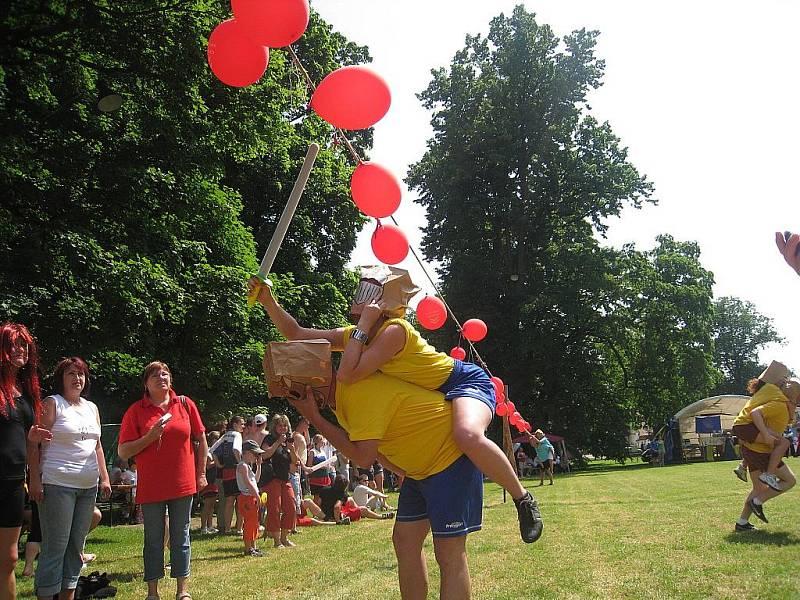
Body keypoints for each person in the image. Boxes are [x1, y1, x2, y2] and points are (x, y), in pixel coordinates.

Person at [250, 267, 543, 543]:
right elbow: (298, 335)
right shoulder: (357, 335)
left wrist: (363, 325)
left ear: (382, 304)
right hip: (435, 391)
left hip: (463, 381)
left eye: (368, 295)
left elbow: (348, 374)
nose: (358, 302)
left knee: (466, 435)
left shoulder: (394, 330)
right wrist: (268, 301)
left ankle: (523, 499)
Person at [276, 340, 525, 600]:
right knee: (405, 541)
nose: (294, 399)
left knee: (448, 552)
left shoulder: (356, 392)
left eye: (294, 392)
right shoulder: (341, 401)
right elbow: (379, 449)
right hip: (419, 471)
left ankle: (523, 498)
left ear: (313, 383)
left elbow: (363, 457)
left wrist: (315, 418)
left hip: (448, 459)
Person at [117, 362, 207, 600]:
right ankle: (152, 593)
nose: (161, 377)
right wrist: (148, 437)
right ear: (146, 384)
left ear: (171, 379)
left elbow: (201, 439)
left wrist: (201, 474)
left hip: (183, 484)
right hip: (152, 487)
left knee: (181, 537)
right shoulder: (136, 410)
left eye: (165, 373)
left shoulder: (185, 405)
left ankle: (182, 591)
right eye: (154, 375)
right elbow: (123, 452)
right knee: (153, 540)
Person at [28, 357, 111, 600]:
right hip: (56, 484)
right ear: (61, 379)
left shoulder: (91, 408)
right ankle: (45, 594)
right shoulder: (52, 404)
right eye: (71, 374)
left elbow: (97, 446)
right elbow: (34, 444)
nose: (77, 378)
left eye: (81, 374)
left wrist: (104, 478)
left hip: (87, 487)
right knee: (56, 546)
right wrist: (35, 479)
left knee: (76, 547)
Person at [0, 323, 50, 600]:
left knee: (9, 560)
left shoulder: (27, 392)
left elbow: (31, 442)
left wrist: (34, 479)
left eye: (24, 345)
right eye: (14, 344)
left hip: (13, 485)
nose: (21, 349)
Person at [732, 377, 799, 530]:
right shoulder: (779, 404)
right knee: (790, 481)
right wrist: (767, 435)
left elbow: (786, 420)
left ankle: (742, 523)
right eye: (796, 400)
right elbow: (756, 414)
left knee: (758, 488)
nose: (796, 405)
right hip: (762, 453)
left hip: (754, 451)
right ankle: (758, 502)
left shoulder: (781, 405)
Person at [259, 414, 299, 548]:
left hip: (285, 478)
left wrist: (292, 449)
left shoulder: (288, 441)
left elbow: (295, 461)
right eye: (280, 425)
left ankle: (284, 538)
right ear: (274, 426)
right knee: (274, 509)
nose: (283, 428)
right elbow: (265, 455)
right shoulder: (269, 439)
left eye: (285, 425)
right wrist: (277, 443)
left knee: (291, 507)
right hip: (272, 478)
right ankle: (276, 540)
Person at [209, 416, 244, 535]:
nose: (243, 426)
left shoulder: (224, 436)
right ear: (235, 424)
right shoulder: (237, 435)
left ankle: (227, 528)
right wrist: (241, 464)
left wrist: (218, 464)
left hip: (225, 472)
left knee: (229, 501)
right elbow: (236, 450)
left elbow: (212, 450)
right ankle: (239, 528)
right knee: (240, 500)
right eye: (241, 424)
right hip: (236, 470)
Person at [319, 475, 394, 524]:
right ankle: (381, 517)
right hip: (338, 516)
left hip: (325, 515)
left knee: (350, 499)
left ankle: (358, 511)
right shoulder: (341, 494)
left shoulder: (324, 489)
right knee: (363, 509)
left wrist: (323, 515)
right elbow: (336, 507)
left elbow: (318, 502)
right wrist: (338, 521)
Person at [236, 440, 265, 557]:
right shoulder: (242, 466)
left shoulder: (248, 466)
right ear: (247, 452)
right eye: (255, 454)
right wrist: (257, 496)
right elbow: (248, 484)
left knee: (254, 523)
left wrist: (259, 466)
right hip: (247, 498)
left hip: (251, 497)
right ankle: (248, 548)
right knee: (249, 523)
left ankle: (253, 546)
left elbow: (256, 481)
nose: (256, 457)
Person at [199, 431, 220, 535]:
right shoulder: (208, 452)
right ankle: (203, 527)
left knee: (212, 505)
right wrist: (216, 462)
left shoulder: (215, 452)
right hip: (208, 481)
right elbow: (207, 465)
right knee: (207, 505)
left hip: (214, 481)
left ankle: (210, 525)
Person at [307, 434, 332, 506]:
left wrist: (328, 466)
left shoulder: (323, 452)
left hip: (324, 477)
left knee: (324, 495)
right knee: (317, 496)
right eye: (321, 441)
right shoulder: (312, 452)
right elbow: (309, 465)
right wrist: (321, 467)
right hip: (316, 478)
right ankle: (315, 512)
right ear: (317, 441)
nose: (323, 442)